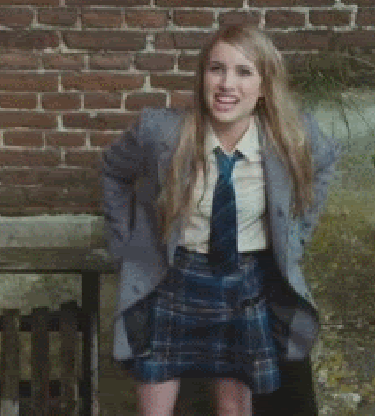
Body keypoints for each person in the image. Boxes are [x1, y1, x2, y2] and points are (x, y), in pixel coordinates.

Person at [102, 24, 342, 416]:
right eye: (217, 69)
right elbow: (113, 171)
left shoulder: (293, 137)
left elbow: (325, 165)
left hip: (245, 284)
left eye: (244, 72)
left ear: (264, 87)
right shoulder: (161, 132)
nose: (227, 84)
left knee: (233, 410)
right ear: (202, 77)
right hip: (171, 281)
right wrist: (124, 244)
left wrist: (297, 237)